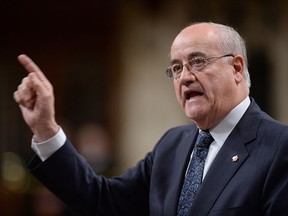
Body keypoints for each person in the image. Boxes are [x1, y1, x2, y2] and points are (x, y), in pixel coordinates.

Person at [13, 22, 288, 216]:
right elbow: (102, 201)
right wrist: (45, 128)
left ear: (237, 68)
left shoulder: (279, 148)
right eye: (176, 68)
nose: (185, 77)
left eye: (198, 62)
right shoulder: (172, 145)